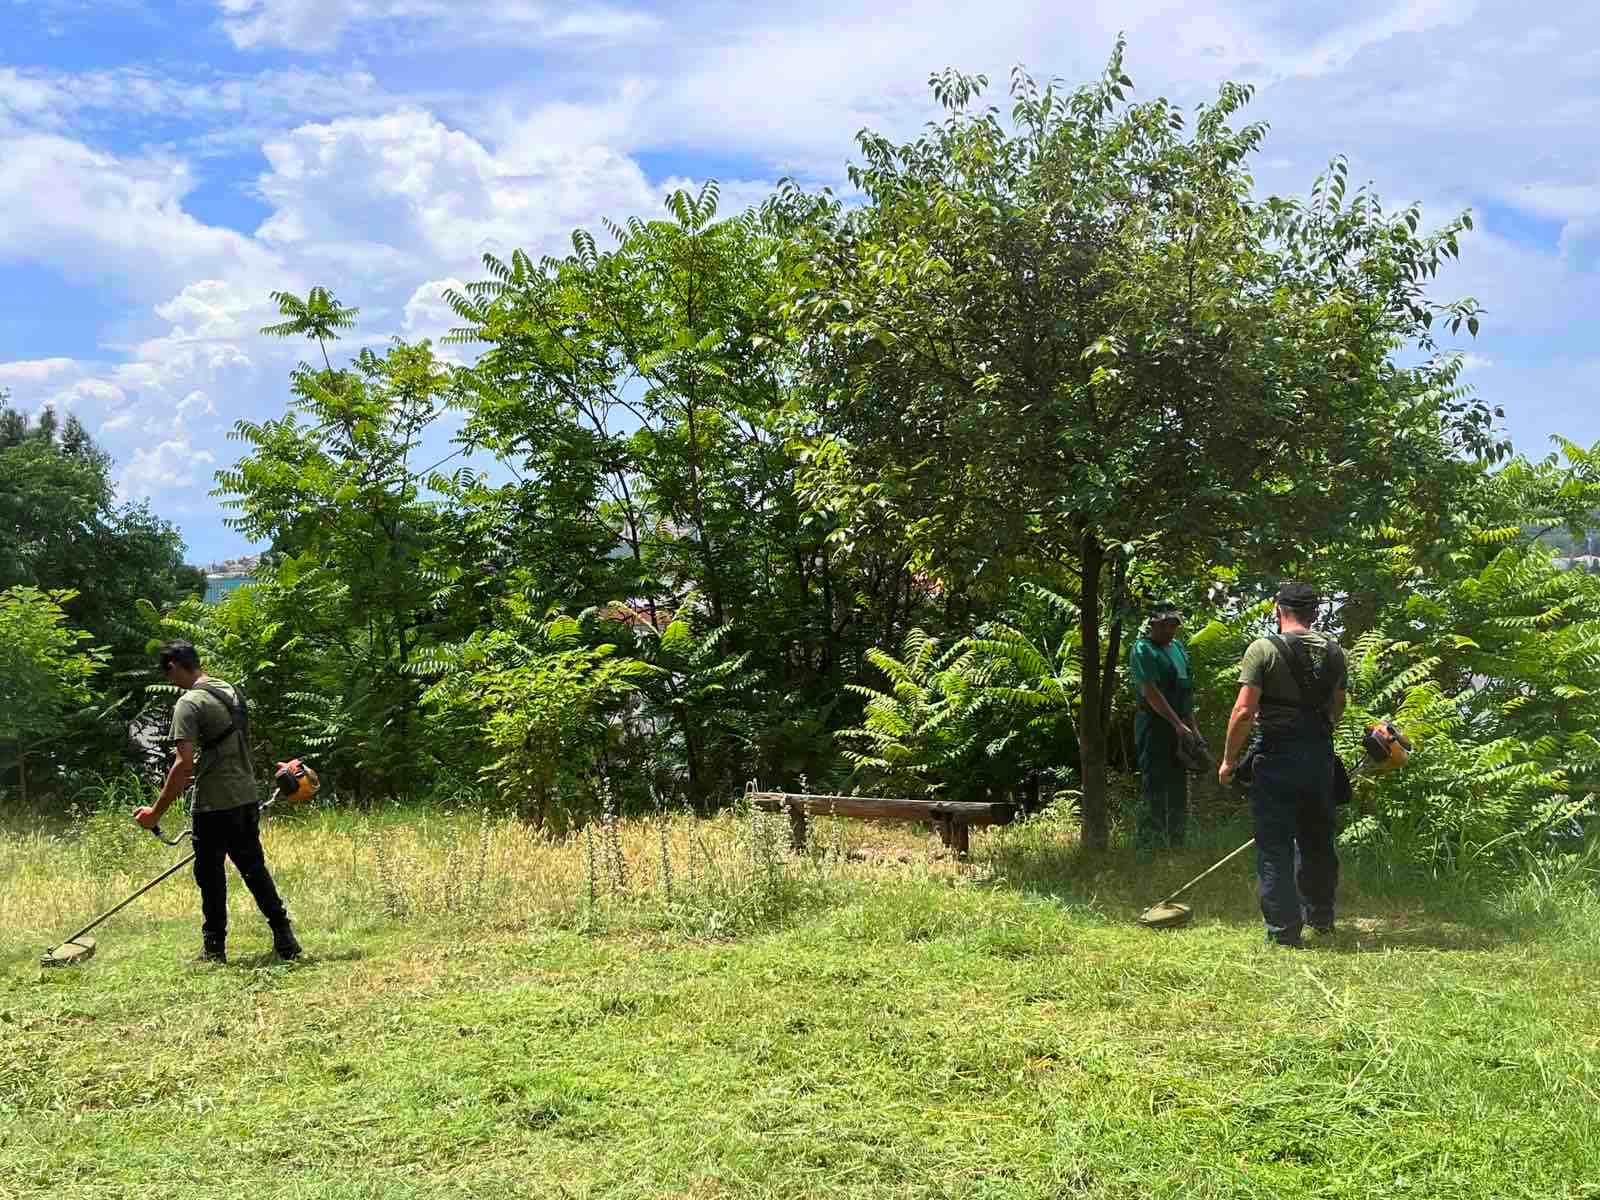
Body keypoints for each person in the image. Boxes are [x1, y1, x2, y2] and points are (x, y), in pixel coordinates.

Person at [134, 641, 302, 963]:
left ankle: (214, 949)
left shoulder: (189, 703)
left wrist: (154, 813)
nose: (170, 682)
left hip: (213, 804)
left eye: (168, 675)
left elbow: (184, 766)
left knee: (210, 876)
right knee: (254, 869)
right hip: (245, 796)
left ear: (173, 667)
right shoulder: (230, 691)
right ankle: (285, 938)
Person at [1217, 583, 1348, 948]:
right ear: (1315, 613)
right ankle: (1321, 918)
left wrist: (1229, 761)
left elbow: (1244, 711)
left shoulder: (1263, 650)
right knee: (1318, 841)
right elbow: (1338, 706)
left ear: (1278, 610)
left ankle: (1283, 932)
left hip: (1276, 758)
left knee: (1275, 845)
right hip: (1319, 756)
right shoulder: (1336, 652)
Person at [1128, 602, 1204, 852]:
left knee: (1178, 786)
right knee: (1156, 785)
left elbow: (1185, 692)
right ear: (1153, 624)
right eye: (1165, 624)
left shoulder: (1179, 649)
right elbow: (1151, 692)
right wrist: (1177, 724)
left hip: (1180, 726)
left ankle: (1177, 845)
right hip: (1154, 726)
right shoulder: (1143, 649)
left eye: (1173, 624)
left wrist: (1193, 727)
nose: (1170, 630)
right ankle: (1152, 847)